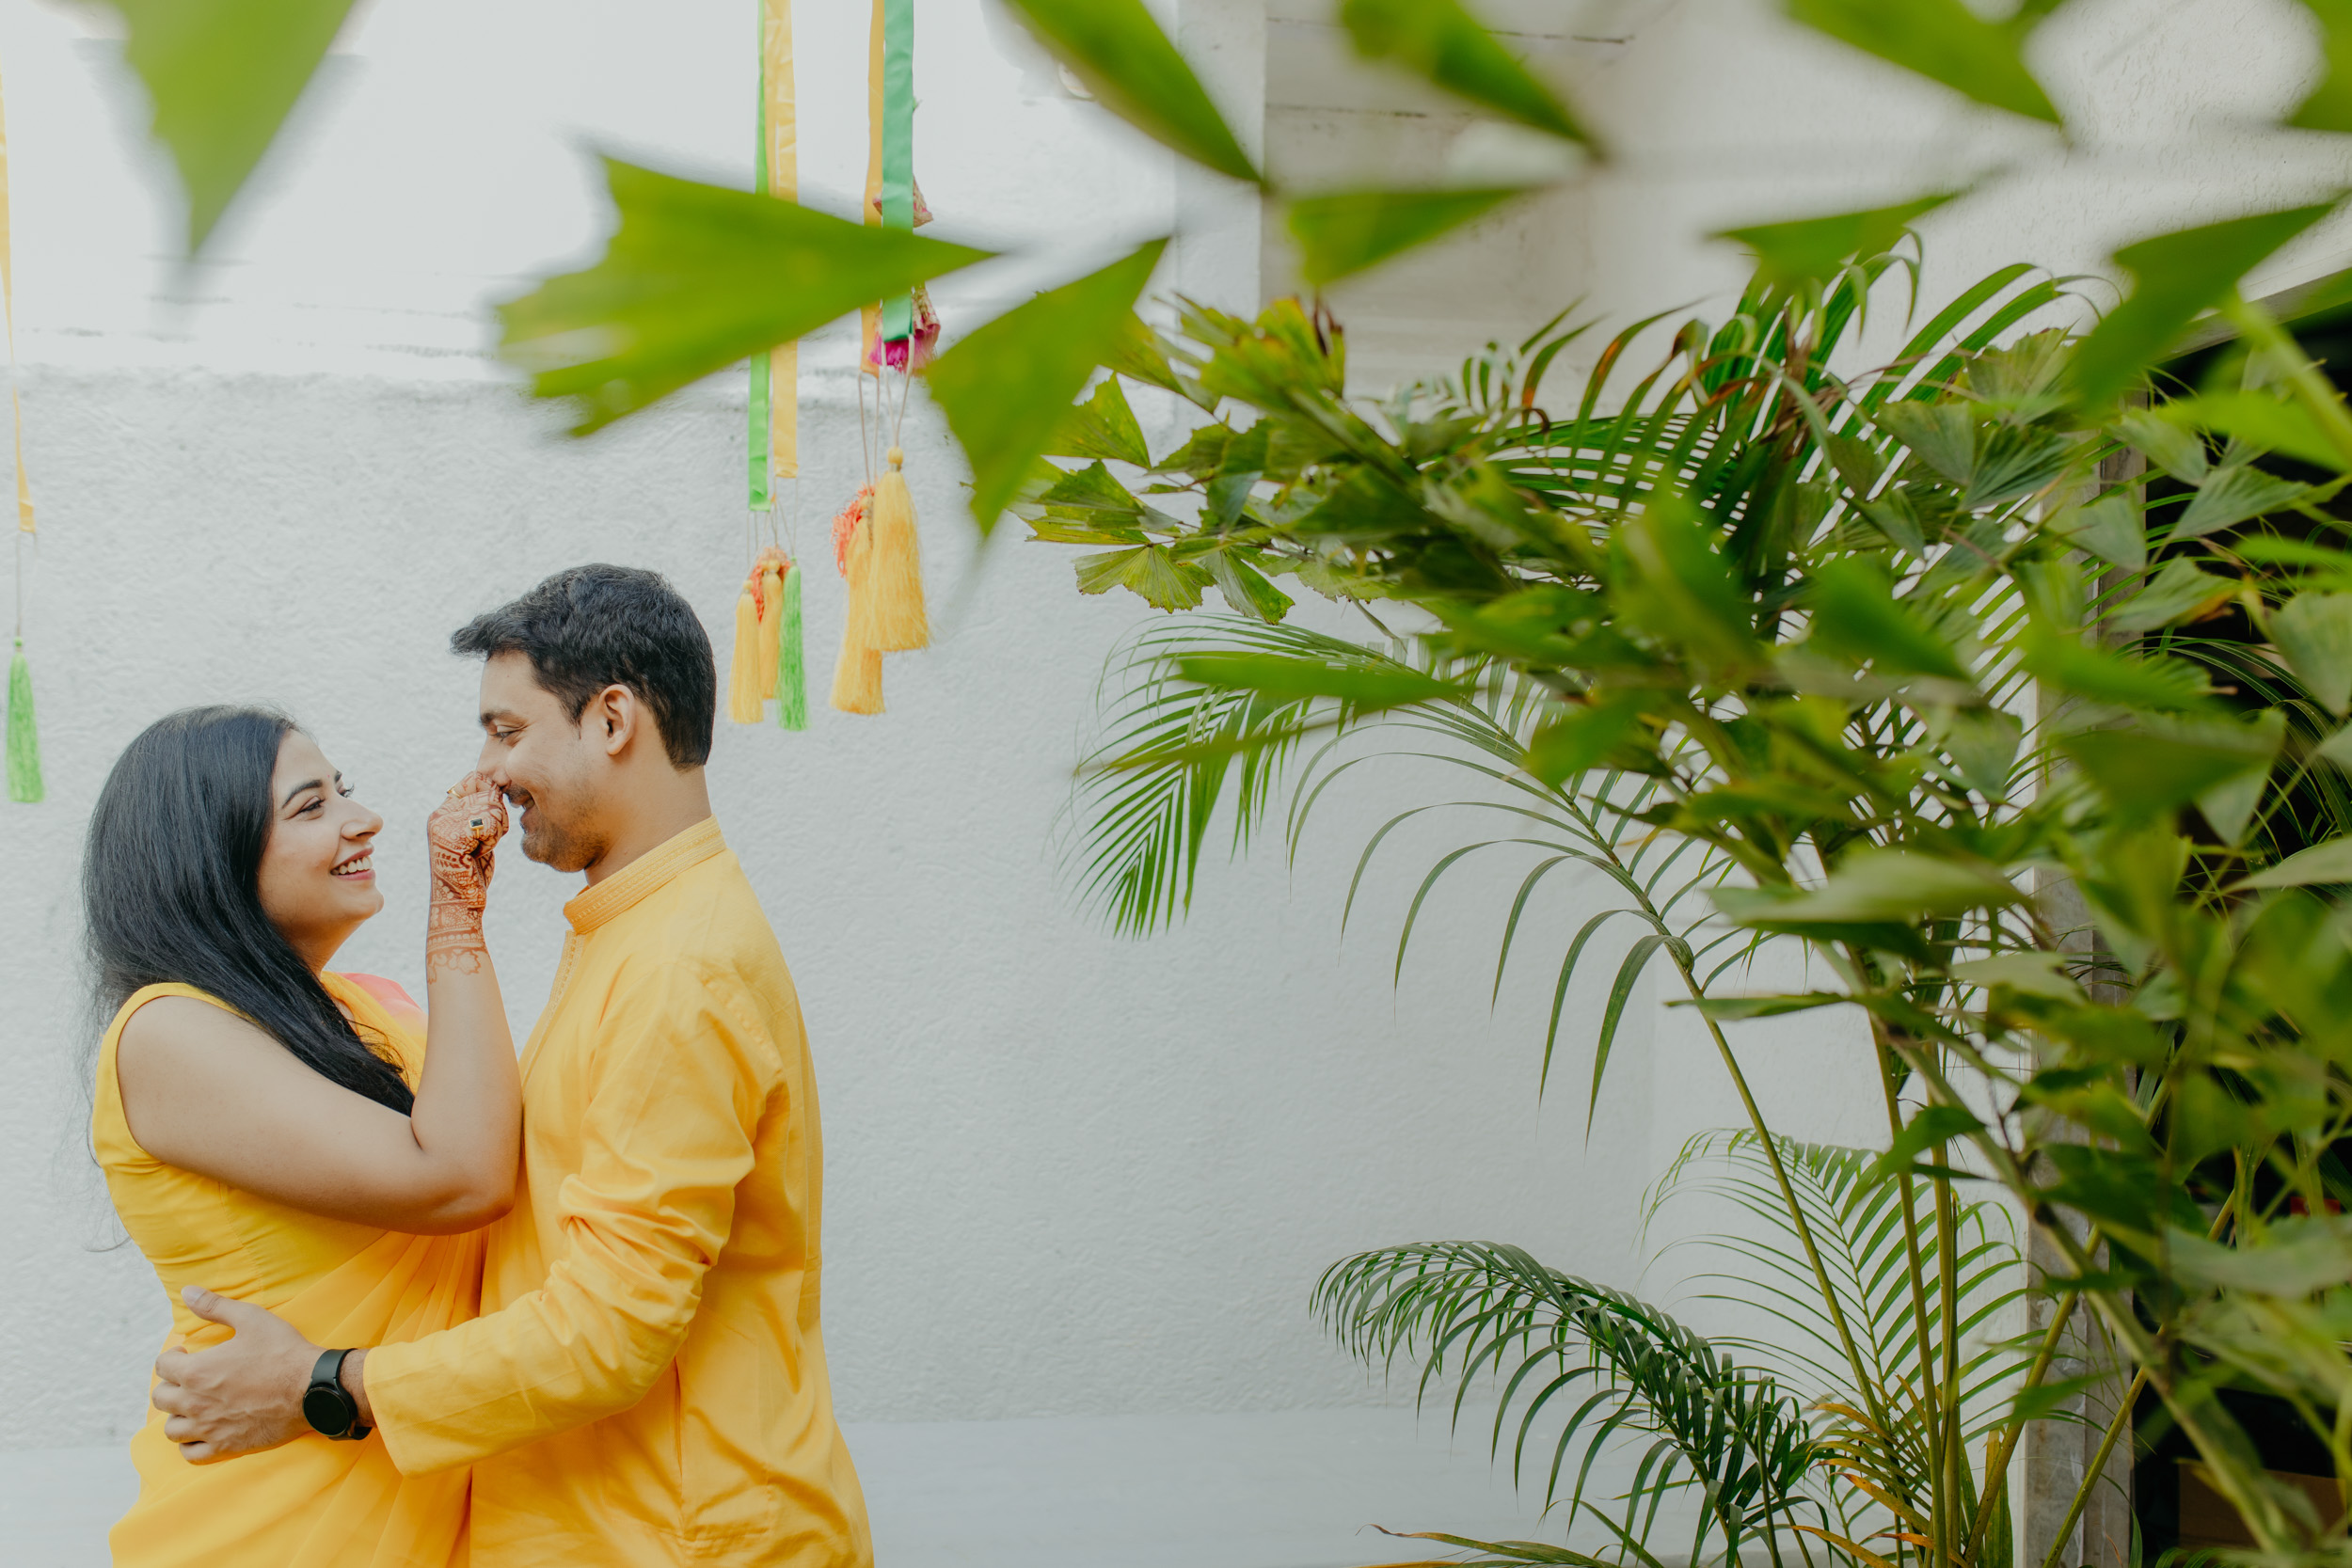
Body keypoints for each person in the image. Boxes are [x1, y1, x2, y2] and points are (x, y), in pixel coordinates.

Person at [151, 564, 872, 1568]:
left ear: (612, 719)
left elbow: (609, 1328)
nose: (485, 771)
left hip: (674, 1536)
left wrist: (324, 1382)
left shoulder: (680, 966)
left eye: (505, 730)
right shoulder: (633, 930)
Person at [85, 705, 516, 1568]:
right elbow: (465, 1175)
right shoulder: (166, 1033)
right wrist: (456, 913)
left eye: (343, 791)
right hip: (273, 1528)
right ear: (212, 856)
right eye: (311, 806)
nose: (366, 820)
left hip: (431, 1502)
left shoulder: (373, 1009)